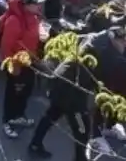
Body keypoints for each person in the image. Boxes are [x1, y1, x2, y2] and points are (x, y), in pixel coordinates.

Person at [28, 27, 126, 158]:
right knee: (82, 130)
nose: (124, 44)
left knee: (53, 113)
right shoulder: (109, 55)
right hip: (73, 92)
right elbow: (105, 82)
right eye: (123, 41)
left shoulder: (95, 37)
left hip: (61, 80)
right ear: (114, 39)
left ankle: (35, 143)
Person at [0, 0, 44, 138]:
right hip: (16, 64)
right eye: (35, 4)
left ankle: (19, 116)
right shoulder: (14, 21)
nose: (39, 6)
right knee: (13, 93)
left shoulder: (33, 17)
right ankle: (8, 121)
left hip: (28, 62)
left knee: (26, 90)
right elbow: (6, 46)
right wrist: (13, 66)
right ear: (26, 6)